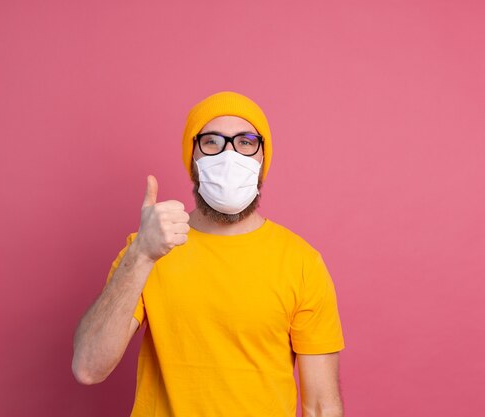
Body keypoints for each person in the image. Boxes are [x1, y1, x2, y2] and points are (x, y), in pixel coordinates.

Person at [72, 91, 346, 417]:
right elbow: (88, 367)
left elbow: (321, 406)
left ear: (262, 159)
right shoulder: (147, 249)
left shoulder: (302, 263)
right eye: (212, 141)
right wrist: (141, 255)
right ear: (193, 159)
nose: (229, 155)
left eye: (245, 142)